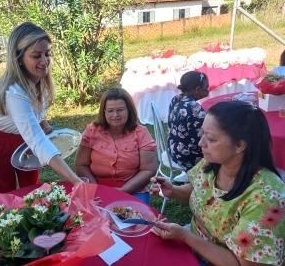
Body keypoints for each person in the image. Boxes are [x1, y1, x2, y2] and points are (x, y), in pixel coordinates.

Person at [151, 101, 285, 266]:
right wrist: (173, 191)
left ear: (239, 145)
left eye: (211, 139)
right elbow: (200, 191)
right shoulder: (213, 163)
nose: (201, 143)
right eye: (203, 134)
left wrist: (186, 236)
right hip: (192, 249)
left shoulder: (266, 199)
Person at [0, 22, 82, 193]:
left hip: (24, 138)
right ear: (19, 59)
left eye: (47, 54)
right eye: (36, 56)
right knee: (6, 194)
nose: (44, 61)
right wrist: (76, 181)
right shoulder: (14, 93)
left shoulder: (40, 81)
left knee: (33, 189)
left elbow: (30, 116)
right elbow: (39, 142)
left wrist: (41, 121)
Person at [74, 87, 157, 204]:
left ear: (129, 110)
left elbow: (148, 170)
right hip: (97, 189)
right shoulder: (92, 131)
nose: (115, 115)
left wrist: (124, 190)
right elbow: (81, 164)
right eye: (110, 110)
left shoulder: (141, 133)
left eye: (120, 109)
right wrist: (95, 189)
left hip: (133, 190)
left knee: (136, 220)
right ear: (104, 111)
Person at [167, 71, 209, 182]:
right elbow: (201, 141)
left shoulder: (176, 99)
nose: (208, 91)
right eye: (206, 88)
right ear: (198, 89)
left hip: (173, 148)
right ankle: (206, 181)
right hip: (188, 156)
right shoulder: (195, 109)